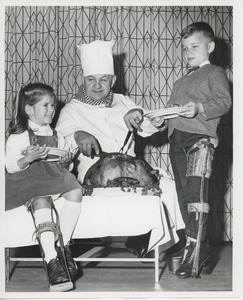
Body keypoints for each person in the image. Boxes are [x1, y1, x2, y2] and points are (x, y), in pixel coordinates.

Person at [56, 39, 184, 258]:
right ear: (83, 79)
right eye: (91, 79)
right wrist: (77, 135)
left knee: (170, 188)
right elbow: (60, 143)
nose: (97, 86)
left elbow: (146, 123)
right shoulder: (71, 109)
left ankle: (156, 242)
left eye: (103, 79)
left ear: (113, 79)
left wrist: (148, 120)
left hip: (133, 171)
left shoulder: (123, 101)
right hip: (96, 175)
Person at [150, 22, 232, 278]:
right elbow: (175, 111)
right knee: (185, 198)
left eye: (194, 47)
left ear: (210, 47)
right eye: (185, 48)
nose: (188, 52)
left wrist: (198, 107)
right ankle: (201, 252)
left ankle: (193, 254)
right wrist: (161, 120)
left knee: (198, 199)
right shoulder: (180, 80)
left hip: (200, 141)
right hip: (177, 142)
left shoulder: (215, 72)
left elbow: (224, 102)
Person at [5, 83, 83, 291]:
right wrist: (28, 158)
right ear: (29, 109)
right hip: (28, 182)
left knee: (76, 189)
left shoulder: (57, 135)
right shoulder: (18, 136)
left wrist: (66, 161)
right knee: (41, 200)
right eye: (46, 106)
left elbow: (67, 165)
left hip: (52, 178)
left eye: (53, 106)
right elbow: (11, 166)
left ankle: (63, 246)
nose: (52, 110)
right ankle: (51, 261)